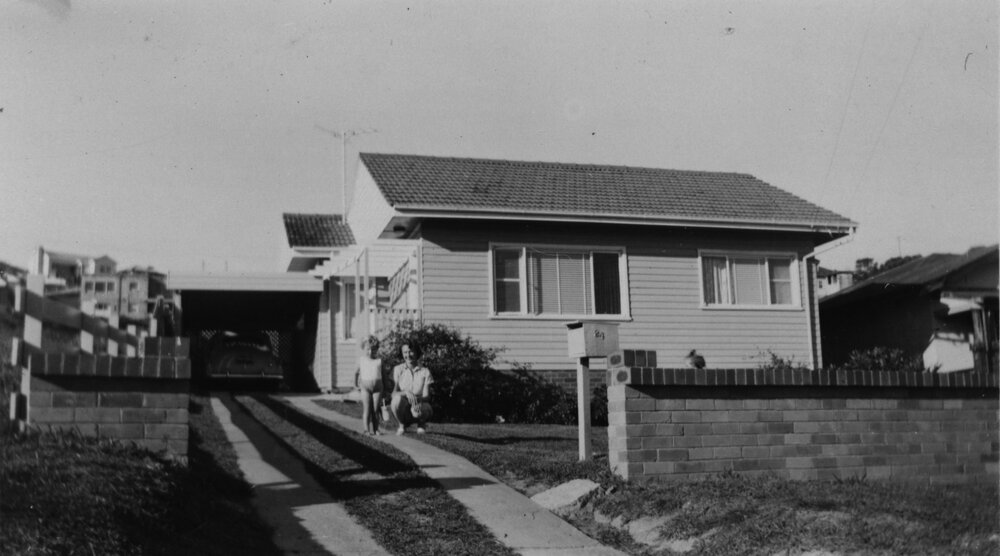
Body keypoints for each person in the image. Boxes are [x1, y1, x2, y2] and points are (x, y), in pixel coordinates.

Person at [390, 341, 433, 434]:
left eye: (410, 351)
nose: (408, 355)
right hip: (404, 405)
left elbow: (427, 396)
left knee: (426, 408)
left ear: (417, 352)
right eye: (405, 352)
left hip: (419, 404)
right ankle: (402, 425)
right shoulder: (397, 369)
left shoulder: (425, 371)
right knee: (395, 401)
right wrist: (405, 392)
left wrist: (416, 400)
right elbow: (393, 394)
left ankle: (421, 425)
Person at [356, 336, 384, 435]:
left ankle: (376, 429)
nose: (370, 351)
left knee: (376, 409)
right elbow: (356, 373)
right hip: (365, 388)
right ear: (364, 348)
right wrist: (356, 384)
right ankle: (366, 429)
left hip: (378, 388)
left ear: (376, 349)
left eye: (373, 349)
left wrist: (386, 389)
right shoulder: (361, 360)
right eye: (368, 349)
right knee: (367, 409)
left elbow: (383, 375)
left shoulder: (379, 361)